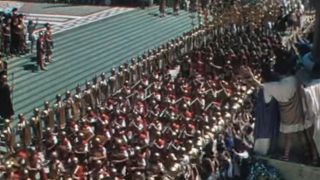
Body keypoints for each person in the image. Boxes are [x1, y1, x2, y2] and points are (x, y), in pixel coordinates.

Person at [240, 53, 318, 163]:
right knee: (308, 137)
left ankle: (286, 156)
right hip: (302, 112)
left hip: (288, 116)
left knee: (288, 137)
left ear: (278, 73)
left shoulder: (277, 86)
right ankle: (314, 157)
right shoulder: (296, 79)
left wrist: (250, 76)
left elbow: (259, 85)